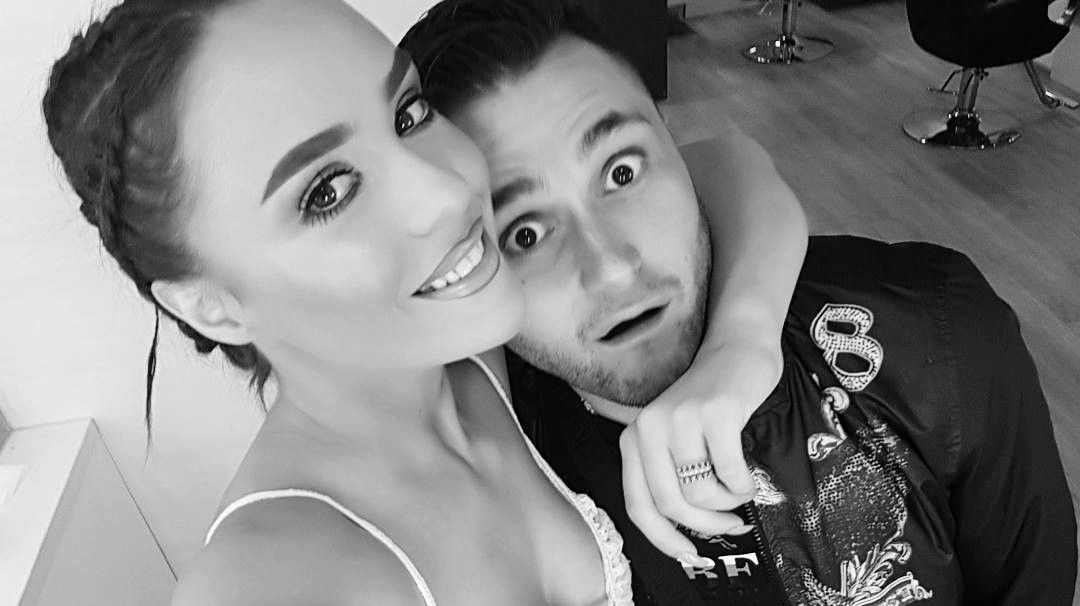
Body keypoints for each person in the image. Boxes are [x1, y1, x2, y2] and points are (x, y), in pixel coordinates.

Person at [42, 0, 808, 604]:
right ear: (211, 306)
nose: (447, 189)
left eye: (407, 113)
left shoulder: (469, 354)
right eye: (327, 192)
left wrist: (739, 347)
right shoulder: (274, 580)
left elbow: (723, 162)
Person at [401, 1, 1079, 604]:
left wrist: (743, 341)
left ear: (675, 148)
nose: (610, 267)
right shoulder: (492, 458)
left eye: (622, 171)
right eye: (524, 233)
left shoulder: (933, 331)